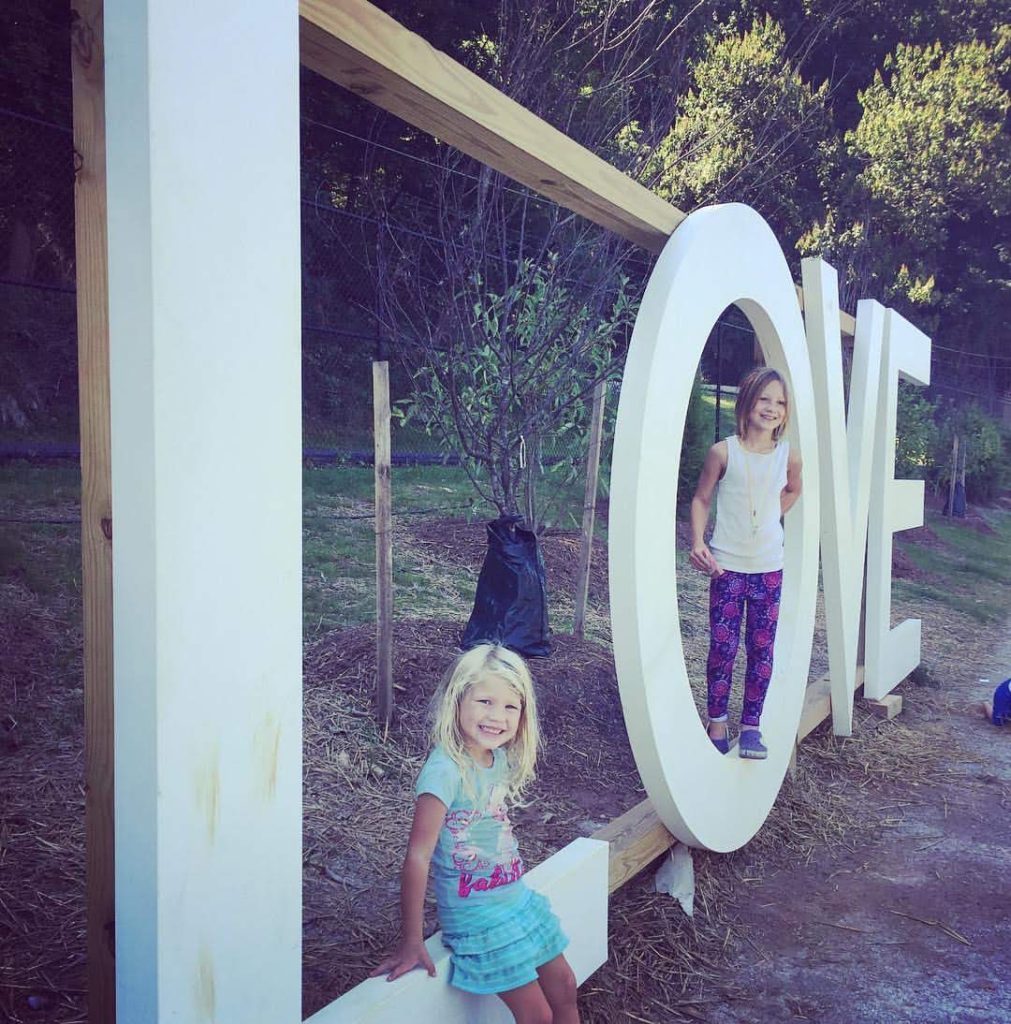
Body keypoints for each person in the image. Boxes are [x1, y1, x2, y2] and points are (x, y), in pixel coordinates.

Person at [372, 644, 580, 1023]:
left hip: (516, 901)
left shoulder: (494, 757)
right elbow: (418, 856)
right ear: (457, 700)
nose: (496, 716)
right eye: (484, 701)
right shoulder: (445, 771)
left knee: (565, 985)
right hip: (478, 919)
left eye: (509, 706)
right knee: (537, 1016)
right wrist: (411, 940)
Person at [688, 367, 803, 759]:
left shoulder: (790, 457)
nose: (772, 408)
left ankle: (751, 726)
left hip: (769, 569)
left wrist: (771, 517)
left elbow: (793, 490)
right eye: (764, 399)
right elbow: (702, 498)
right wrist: (698, 540)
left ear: (786, 413)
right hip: (727, 567)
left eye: (780, 402)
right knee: (723, 647)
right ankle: (716, 721)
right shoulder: (723, 452)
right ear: (748, 402)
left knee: (761, 649)